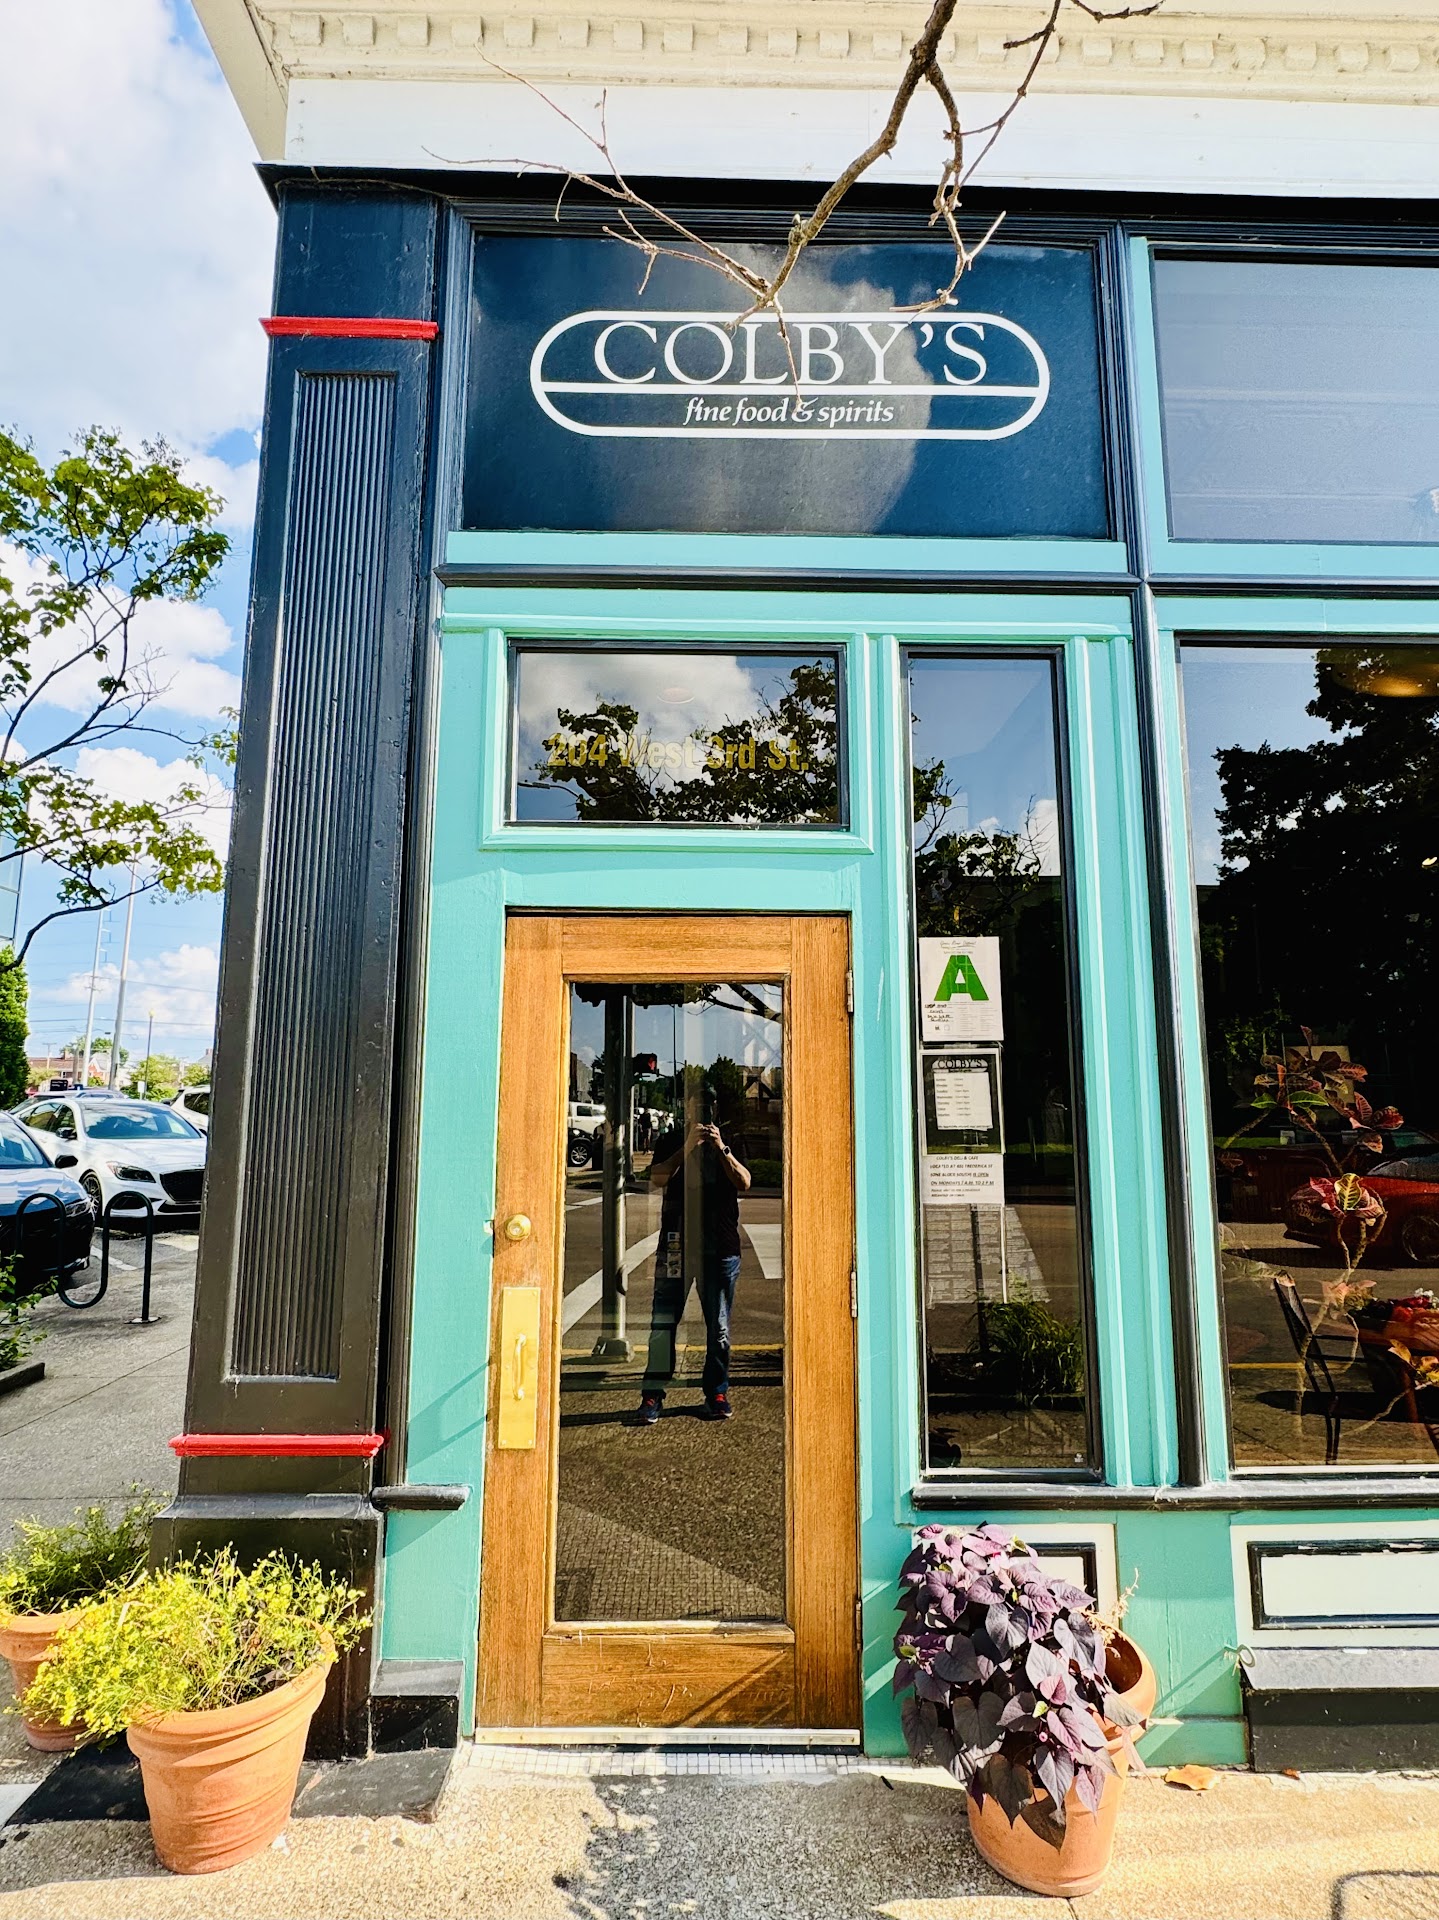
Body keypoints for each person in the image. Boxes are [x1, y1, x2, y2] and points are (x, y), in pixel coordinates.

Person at [635, 1112, 751, 1425]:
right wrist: (686, 1147)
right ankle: (653, 1393)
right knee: (663, 1324)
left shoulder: (730, 1140)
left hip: (720, 1249)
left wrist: (722, 1148)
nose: (702, 1114)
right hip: (676, 1246)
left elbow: (744, 1182)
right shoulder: (672, 1139)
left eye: (708, 1107)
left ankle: (717, 1392)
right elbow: (657, 1178)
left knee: (719, 1328)